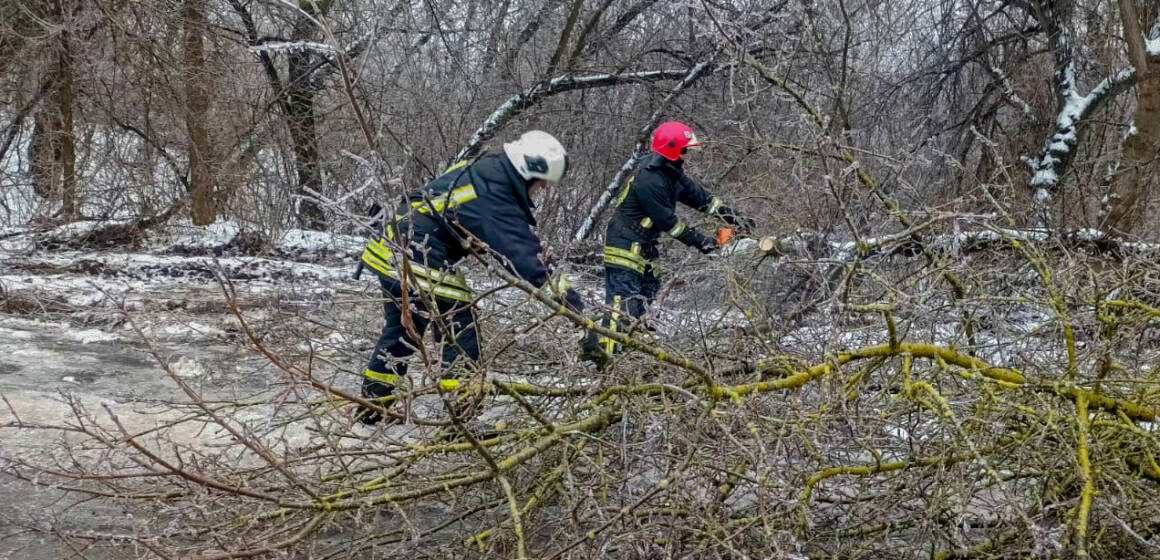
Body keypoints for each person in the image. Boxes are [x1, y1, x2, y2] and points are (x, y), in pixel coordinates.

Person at [356, 130, 606, 425]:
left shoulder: (487, 169)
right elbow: (530, 263)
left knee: (403, 328)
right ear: (528, 173)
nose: (541, 191)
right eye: (541, 185)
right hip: (416, 254)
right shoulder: (495, 196)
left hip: (388, 246)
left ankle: (373, 403)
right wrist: (580, 317)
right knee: (460, 326)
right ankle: (462, 420)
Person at [599, 121, 755, 355]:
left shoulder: (671, 175)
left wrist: (735, 218)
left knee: (649, 290)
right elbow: (668, 223)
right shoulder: (650, 180)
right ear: (673, 149)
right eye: (685, 149)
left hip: (643, 244)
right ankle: (608, 355)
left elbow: (703, 199)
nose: (687, 154)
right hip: (625, 243)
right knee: (623, 300)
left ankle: (633, 345)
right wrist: (702, 242)